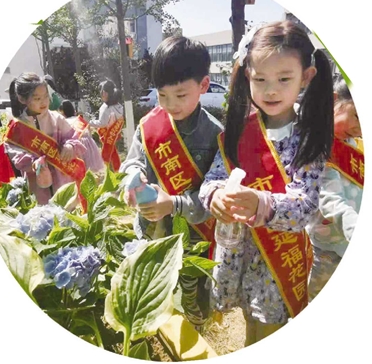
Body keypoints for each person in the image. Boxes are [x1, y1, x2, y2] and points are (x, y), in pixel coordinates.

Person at [198, 20, 334, 346]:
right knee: (250, 327)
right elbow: (213, 178)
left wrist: (261, 203)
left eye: (284, 79)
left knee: (270, 329)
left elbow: (306, 204)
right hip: (239, 255)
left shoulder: (310, 138)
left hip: (279, 265)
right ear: (248, 77)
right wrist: (215, 196)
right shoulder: (239, 131)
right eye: (260, 80)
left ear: (306, 77)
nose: (271, 90)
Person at [120, 35, 224, 330]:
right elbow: (133, 161)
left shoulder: (216, 135)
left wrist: (174, 204)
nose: (170, 105)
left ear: (203, 85)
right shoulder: (149, 125)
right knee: (155, 293)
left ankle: (197, 333)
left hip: (193, 238)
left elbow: (212, 196)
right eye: (162, 95)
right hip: (152, 230)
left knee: (194, 302)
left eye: (180, 95)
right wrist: (132, 180)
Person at [306, 76, 362, 301]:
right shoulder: (318, 146)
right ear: (334, 101)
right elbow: (329, 200)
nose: (359, 128)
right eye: (357, 116)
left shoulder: (354, 145)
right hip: (326, 248)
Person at [0, 72, 87, 206]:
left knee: (66, 210)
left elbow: (73, 137)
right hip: (37, 183)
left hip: (62, 179)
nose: (44, 101)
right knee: (43, 214)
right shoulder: (17, 127)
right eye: (37, 98)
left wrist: (70, 146)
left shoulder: (57, 119)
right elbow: (16, 154)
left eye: (45, 96)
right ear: (22, 99)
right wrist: (33, 162)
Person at [59, 99, 104, 174]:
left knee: (79, 172)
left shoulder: (64, 122)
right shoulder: (79, 119)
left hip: (77, 146)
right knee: (90, 172)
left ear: (62, 112)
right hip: (89, 145)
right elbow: (89, 132)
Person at [89, 79, 124, 171]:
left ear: (105, 93)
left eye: (102, 92)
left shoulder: (105, 108)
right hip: (116, 135)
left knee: (110, 156)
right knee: (115, 155)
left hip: (107, 135)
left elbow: (102, 123)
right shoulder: (118, 105)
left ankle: (111, 172)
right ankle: (118, 171)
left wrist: (89, 122)